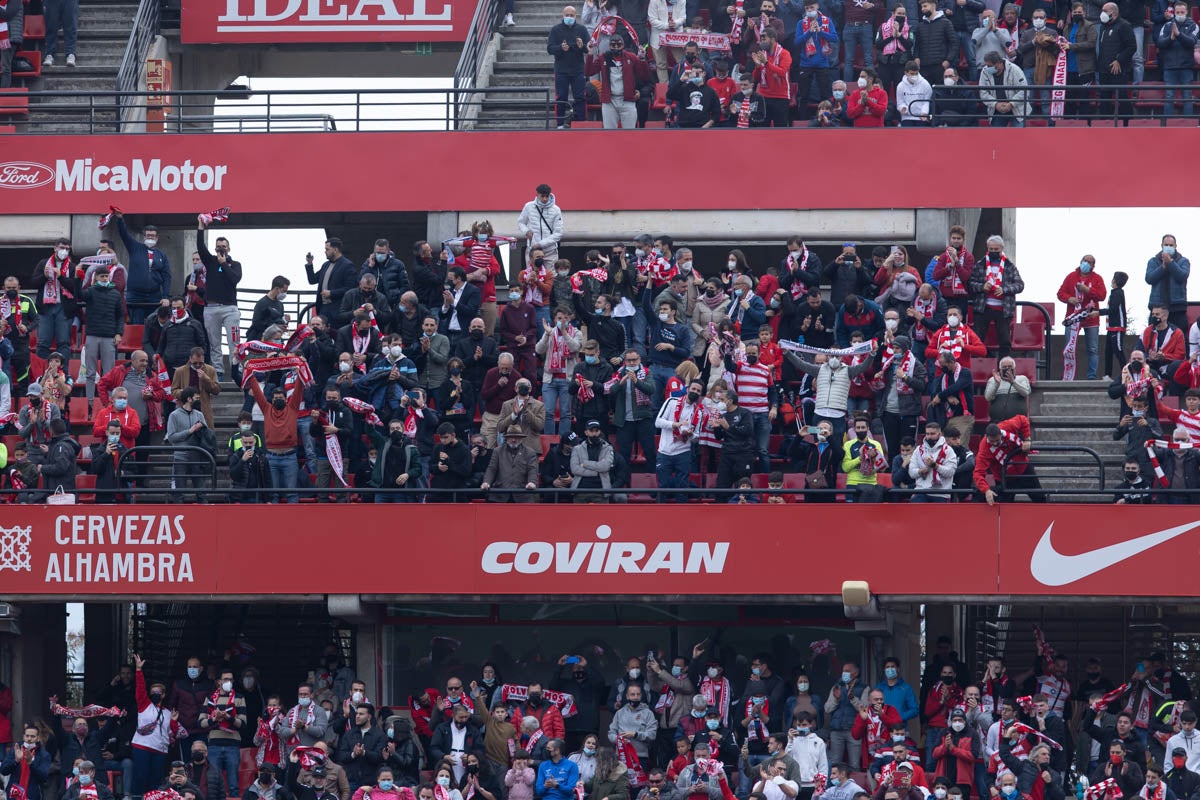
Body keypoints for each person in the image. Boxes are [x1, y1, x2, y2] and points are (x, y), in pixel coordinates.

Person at [195, 217, 243, 380]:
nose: (221, 249)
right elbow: (200, 247)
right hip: (211, 308)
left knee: (234, 342)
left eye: (224, 246)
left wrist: (224, 264)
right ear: (215, 248)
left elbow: (235, 279)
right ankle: (219, 372)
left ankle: (237, 371)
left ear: (229, 248)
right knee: (214, 344)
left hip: (230, 309)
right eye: (218, 246)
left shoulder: (235, 264)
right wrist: (201, 227)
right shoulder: (210, 261)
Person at [970, 236, 1024, 358]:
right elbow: (971, 284)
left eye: (996, 249)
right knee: (977, 340)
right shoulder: (980, 265)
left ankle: (1004, 368)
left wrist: (1004, 290)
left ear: (1002, 249)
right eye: (991, 249)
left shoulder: (1010, 266)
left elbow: (1020, 285)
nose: (993, 252)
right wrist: (982, 287)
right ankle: (979, 368)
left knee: (1005, 341)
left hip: (1003, 309)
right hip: (983, 308)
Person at [113, 213, 171, 324]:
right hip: (135, 296)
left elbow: (166, 277)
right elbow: (124, 234)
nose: (150, 237)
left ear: (157, 238)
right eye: (148, 235)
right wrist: (120, 219)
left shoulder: (162, 255)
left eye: (152, 235)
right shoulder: (134, 247)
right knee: (136, 326)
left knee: (154, 325)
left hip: (154, 297)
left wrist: (166, 296)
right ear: (144, 237)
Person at [974, 415, 1043, 505]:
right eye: (992, 441)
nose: (995, 443)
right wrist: (986, 490)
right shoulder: (984, 448)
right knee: (1005, 506)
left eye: (997, 440)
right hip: (1003, 477)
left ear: (1000, 435)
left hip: (1023, 468)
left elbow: (1022, 419)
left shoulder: (1008, 426)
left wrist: (1027, 439)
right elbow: (978, 472)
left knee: (1040, 498)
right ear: (987, 437)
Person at [794, 0, 839, 120]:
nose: (809, 10)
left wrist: (821, 32)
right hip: (806, 63)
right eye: (807, 9)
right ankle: (802, 121)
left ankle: (826, 119)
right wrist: (809, 32)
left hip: (822, 63)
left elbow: (834, 38)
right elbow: (797, 42)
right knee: (803, 95)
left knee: (825, 95)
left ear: (817, 7)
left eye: (811, 8)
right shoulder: (801, 23)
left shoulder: (827, 21)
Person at [165, 387, 212, 503]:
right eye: (196, 398)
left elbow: (206, 434)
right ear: (189, 399)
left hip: (197, 457)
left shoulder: (199, 415)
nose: (198, 400)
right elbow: (171, 437)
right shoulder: (174, 415)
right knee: (179, 492)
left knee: (201, 491)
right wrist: (190, 431)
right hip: (180, 457)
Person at [549, 6, 589, 128]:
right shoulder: (556, 30)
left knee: (580, 97)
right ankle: (560, 123)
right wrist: (560, 48)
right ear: (563, 15)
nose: (569, 17)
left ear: (576, 16)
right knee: (561, 97)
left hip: (578, 70)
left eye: (572, 15)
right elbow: (550, 48)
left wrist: (582, 46)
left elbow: (589, 48)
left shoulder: (582, 29)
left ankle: (580, 123)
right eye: (567, 15)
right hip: (562, 70)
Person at [1096, 2, 1135, 122]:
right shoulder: (1103, 26)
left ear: (1113, 13)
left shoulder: (1124, 25)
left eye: (1105, 10)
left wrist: (1119, 60)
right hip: (1104, 69)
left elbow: (1132, 47)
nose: (1102, 13)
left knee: (1122, 98)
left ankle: (1127, 124)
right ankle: (1105, 124)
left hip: (1118, 69)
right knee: (1104, 99)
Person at [1147, 235, 1191, 331]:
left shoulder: (1183, 261)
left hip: (1177, 308)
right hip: (1157, 308)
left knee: (1180, 337)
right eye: (1166, 245)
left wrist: (1170, 263)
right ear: (1162, 245)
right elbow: (1149, 279)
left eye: (1171, 245)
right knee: (1154, 337)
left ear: (1175, 246)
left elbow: (1182, 277)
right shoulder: (1153, 261)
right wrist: (1162, 267)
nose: (1168, 247)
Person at [306, 239, 357, 321]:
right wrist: (309, 264)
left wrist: (332, 293)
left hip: (338, 308)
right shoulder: (325, 265)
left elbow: (350, 288)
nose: (325, 251)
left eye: (327, 249)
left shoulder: (348, 265)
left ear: (335, 250)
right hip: (323, 308)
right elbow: (312, 280)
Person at [751, 28, 794, 126]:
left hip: (780, 97)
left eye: (764, 38)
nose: (761, 41)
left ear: (773, 39)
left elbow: (782, 72)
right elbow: (755, 79)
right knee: (762, 128)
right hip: (764, 96)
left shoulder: (784, 53)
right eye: (761, 39)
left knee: (780, 130)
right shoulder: (762, 54)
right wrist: (757, 66)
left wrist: (766, 63)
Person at [978, 51, 1028, 127]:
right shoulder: (985, 71)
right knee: (996, 137)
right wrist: (995, 104)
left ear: (999, 63)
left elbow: (1024, 91)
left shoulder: (1015, 69)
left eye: (990, 66)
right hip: (996, 110)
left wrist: (1011, 104)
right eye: (987, 65)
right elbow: (983, 92)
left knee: (1019, 136)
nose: (988, 68)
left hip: (1017, 109)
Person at [914, 0, 957, 86]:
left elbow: (954, 43)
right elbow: (917, 45)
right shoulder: (920, 26)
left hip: (939, 66)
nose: (922, 9)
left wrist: (948, 60)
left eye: (925, 6)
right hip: (924, 66)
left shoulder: (946, 23)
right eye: (921, 7)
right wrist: (916, 57)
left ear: (933, 5)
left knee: (939, 94)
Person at [984, 357, 1031, 421]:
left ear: (1014, 369)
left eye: (1010, 367)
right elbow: (988, 397)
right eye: (1004, 367)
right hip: (998, 422)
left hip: (1018, 423)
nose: (1007, 369)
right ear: (1000, 369)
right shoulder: (993, 380)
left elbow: (1026, 393)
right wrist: (996, 384)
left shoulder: (1022, 379)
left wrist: (1013, 382)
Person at [895, 61, 932, 125]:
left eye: (916, 74)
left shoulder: (925, 84)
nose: (914, 76)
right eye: (912, 74)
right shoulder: (900, 86)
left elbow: (927, 101)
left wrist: (924, 112)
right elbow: (900, 102)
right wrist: (903, 108)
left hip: (921, 117)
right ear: (906, 73)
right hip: (906, 117)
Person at [0, 0, 23, 89]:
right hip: (3, 37)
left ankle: (3, 95)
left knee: (6, 67)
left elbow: (7, 15)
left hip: (10, 37)